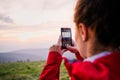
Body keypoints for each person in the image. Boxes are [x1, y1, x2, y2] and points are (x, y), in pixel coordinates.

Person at [40, 0, 120, 80]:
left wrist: (53, 59)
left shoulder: (81, 76)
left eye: (76, 29)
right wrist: (80, 55)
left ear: (83, 31)